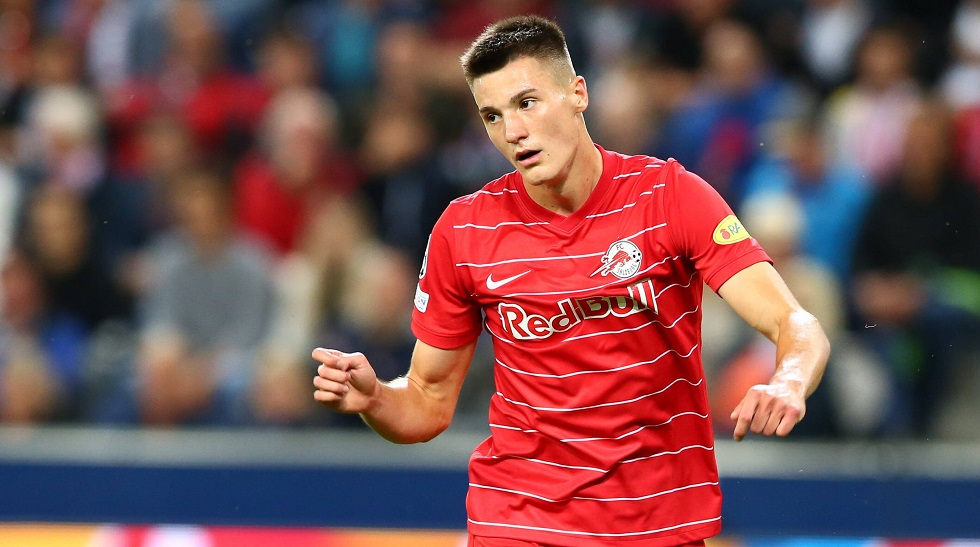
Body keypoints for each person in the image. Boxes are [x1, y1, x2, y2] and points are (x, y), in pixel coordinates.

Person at [312, 15, 829, 547]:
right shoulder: (464, 230)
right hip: (518, 523)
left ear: (578, 93)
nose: (512, 131)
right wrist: (376, 399)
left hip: (656, 525)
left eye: (526, 103)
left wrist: (789, 380)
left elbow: (795, 323)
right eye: (492, 116)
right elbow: (427, 400)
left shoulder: (671, 198)